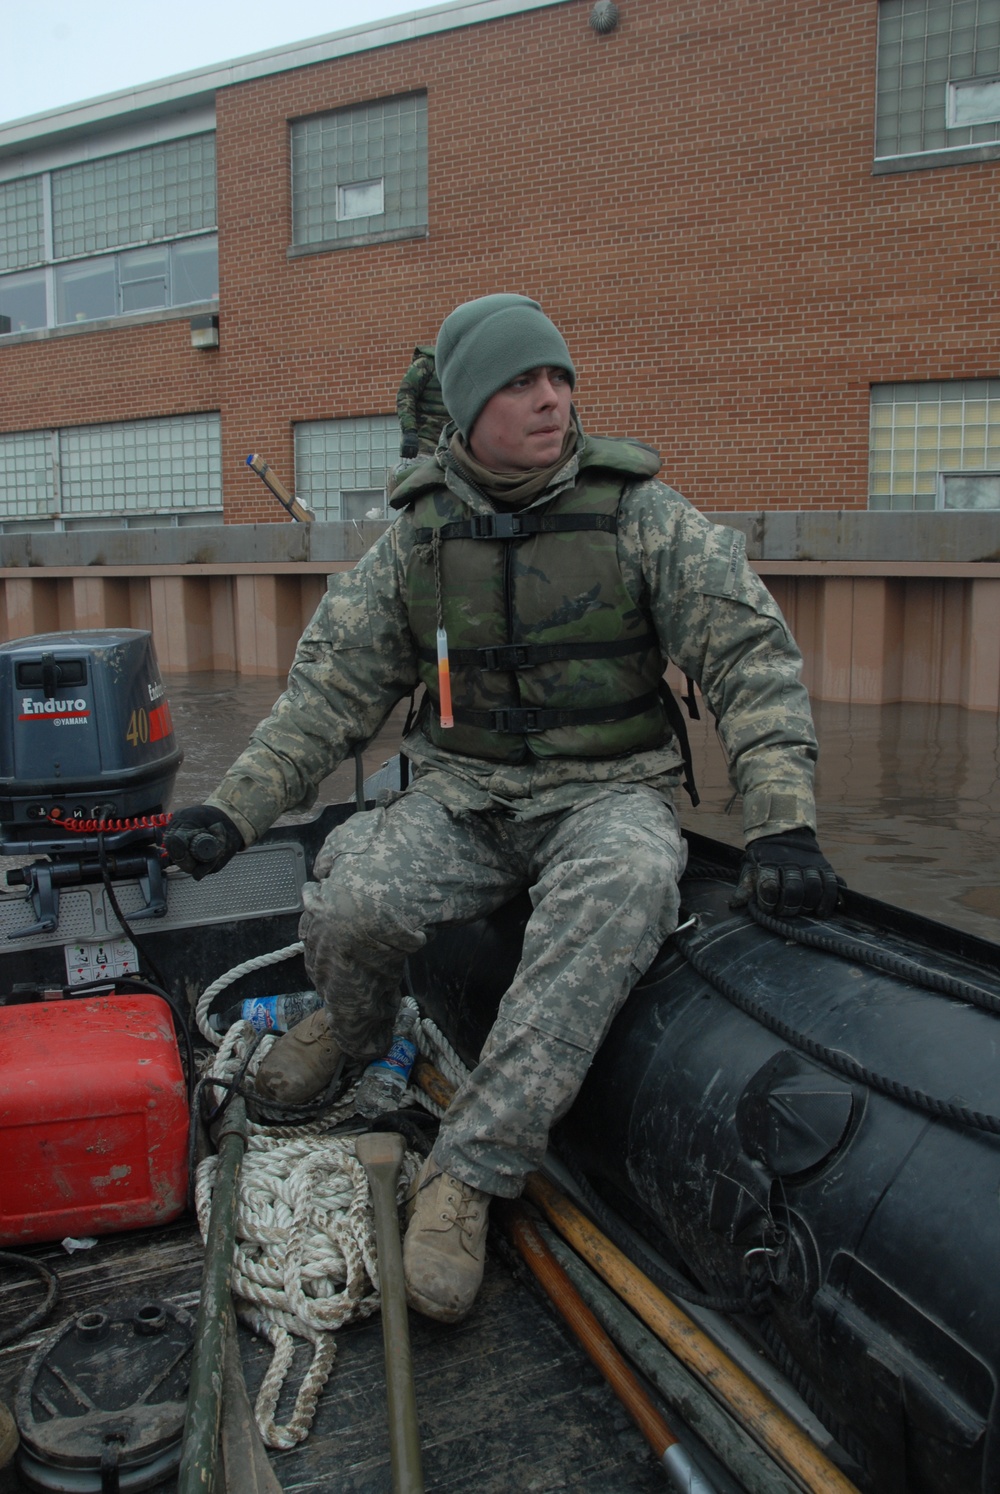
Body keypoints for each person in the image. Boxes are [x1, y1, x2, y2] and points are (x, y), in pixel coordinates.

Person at [165, 293, 838, 1325]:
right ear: (470, 409)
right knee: (353, 900)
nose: (550, 399)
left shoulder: (641, 517)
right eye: (522, 383)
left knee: (624, 885)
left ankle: (467, 1176)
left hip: (606, 793)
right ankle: (355, 1030)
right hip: (467, 792)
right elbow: (328, 697)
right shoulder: (417, 542)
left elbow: (749, 658)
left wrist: (782, 816)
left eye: (560, 378)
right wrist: (235, 811)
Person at [389, 344, 448, 492]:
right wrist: (409, 431)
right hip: (425, 444)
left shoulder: (464, 367)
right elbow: (406, 394)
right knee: (421, 492)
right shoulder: (427, 364)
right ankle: (398, 476)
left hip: (452, 448)